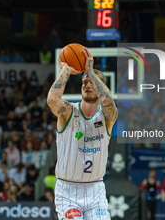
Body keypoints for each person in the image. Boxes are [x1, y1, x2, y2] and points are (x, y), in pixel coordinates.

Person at [47, 47, 117, 220]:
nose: (86, 84)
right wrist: (66, 69)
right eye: (84, 82)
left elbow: (108, 101)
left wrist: (89, 71)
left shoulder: (107, 116)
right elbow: (51, 100)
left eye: (91, 82)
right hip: (68, 190)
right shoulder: (68, 111)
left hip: (95, 190)